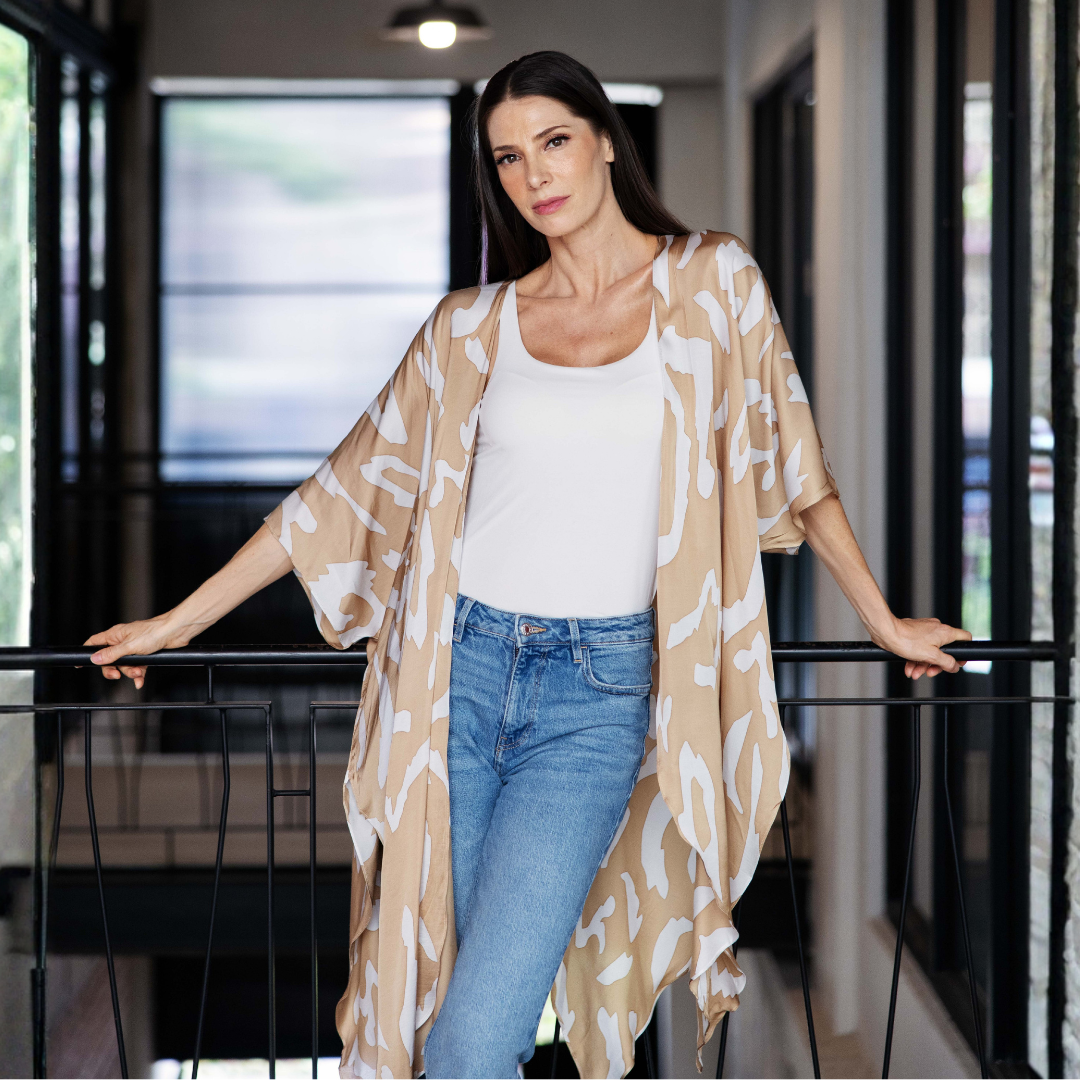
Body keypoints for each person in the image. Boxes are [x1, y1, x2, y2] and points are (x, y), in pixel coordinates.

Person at [87, 51, 970, 1080]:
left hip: (597, 701)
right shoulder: (469, 329)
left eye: (552, 141)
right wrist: (175, 624)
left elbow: (798, 471)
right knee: (427, 1014)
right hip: (451, 685)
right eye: (507, 158)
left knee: (471, 1044)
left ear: (604, 140)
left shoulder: (710, 283)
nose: (533, 175)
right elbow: (329, 502)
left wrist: (884, 620)